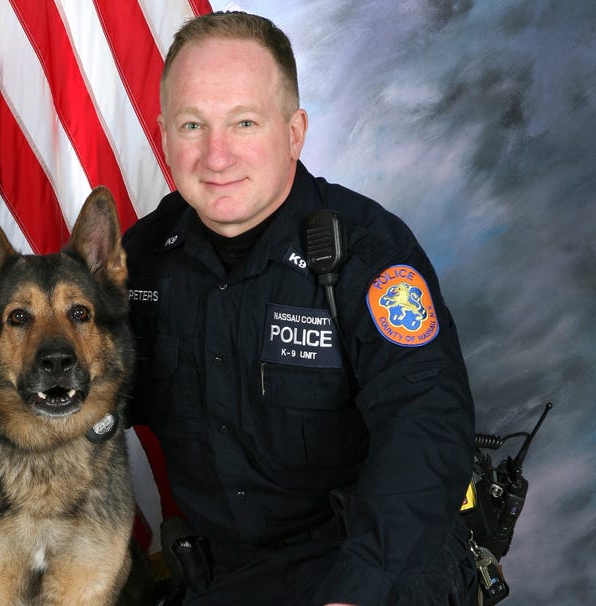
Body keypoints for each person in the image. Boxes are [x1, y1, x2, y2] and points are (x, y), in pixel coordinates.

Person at [123, 11, 478, 606]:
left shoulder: (367, 256)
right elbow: (79, 411)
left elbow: (428, 427)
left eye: (243, 122)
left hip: (375, 560)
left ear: (294, 132)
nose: (216, 155)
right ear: (162, 133)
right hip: (230, 580)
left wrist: (359, 591)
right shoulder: (141, 263)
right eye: (192, 125)